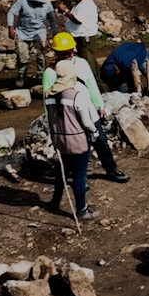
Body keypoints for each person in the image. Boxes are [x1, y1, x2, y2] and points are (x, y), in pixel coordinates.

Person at [43, 33, 129, 184]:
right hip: (68, 118)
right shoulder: (50, 72)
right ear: (56, 53)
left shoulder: (82, 63)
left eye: (68, 52)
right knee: (75, 150)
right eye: (63, 53)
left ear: (73, 49)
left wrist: (99, 105)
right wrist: (53, 123)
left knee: (101, 141)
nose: (66, 56)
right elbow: (48, 101)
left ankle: (111, 169)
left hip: (88, 111)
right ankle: (79, 178)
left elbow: (91, 85)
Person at [46, 60, 100, 220]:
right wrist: (95, 131)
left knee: (61, 171)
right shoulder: (77, 95)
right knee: (78, 174)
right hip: (77, 141)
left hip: (59, 140)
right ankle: (81, 209)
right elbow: (86, 122)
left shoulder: (49, 95)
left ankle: (55, 201)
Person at [6, 0, 60, 86]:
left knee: (41, 57)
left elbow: (52, 19)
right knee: (23, 58)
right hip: (23, 34)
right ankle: (21, 76)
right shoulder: (23, 1)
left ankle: (41, 77)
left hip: (39, 33)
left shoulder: (47, 4)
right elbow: (11, 12)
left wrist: (55, 34)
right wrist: (10, 28)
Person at [98, 41, 149, 106]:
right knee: (118, 81)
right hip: (129, 50)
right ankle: (120, 101)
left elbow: (131, 82)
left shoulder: (125, 64)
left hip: (142, 53)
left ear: (117, 69)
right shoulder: (106, 65)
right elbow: (112, 82)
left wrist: (133, 97)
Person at [63, 0, 103, 76]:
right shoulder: (80, 3)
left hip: (85, 38)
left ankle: (96, 84)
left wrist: (66, 12)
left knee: (88, 63)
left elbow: (78, 20)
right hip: (80, 37)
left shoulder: (86, 5)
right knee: (87, 60)